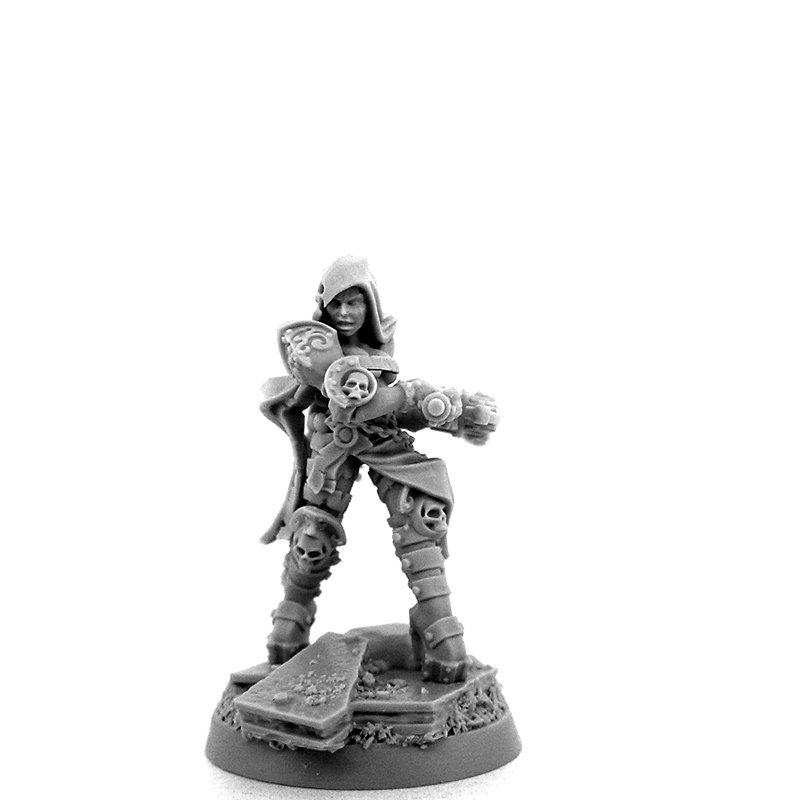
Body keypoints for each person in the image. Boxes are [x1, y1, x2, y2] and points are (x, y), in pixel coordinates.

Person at [260, 256, 498, 683]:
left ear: (369, 305)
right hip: (332, 451)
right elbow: (337, 401)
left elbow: (387, 407)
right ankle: (294, 608)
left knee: (421, 516)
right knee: (313, 532)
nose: (345, 313)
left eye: (354, 302)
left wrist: (451, 410)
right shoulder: (317, 354)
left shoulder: (380, 356)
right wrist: (417, 398)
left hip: (383, 445)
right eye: (337, 304)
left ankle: (435, 618)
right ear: (324, 309)